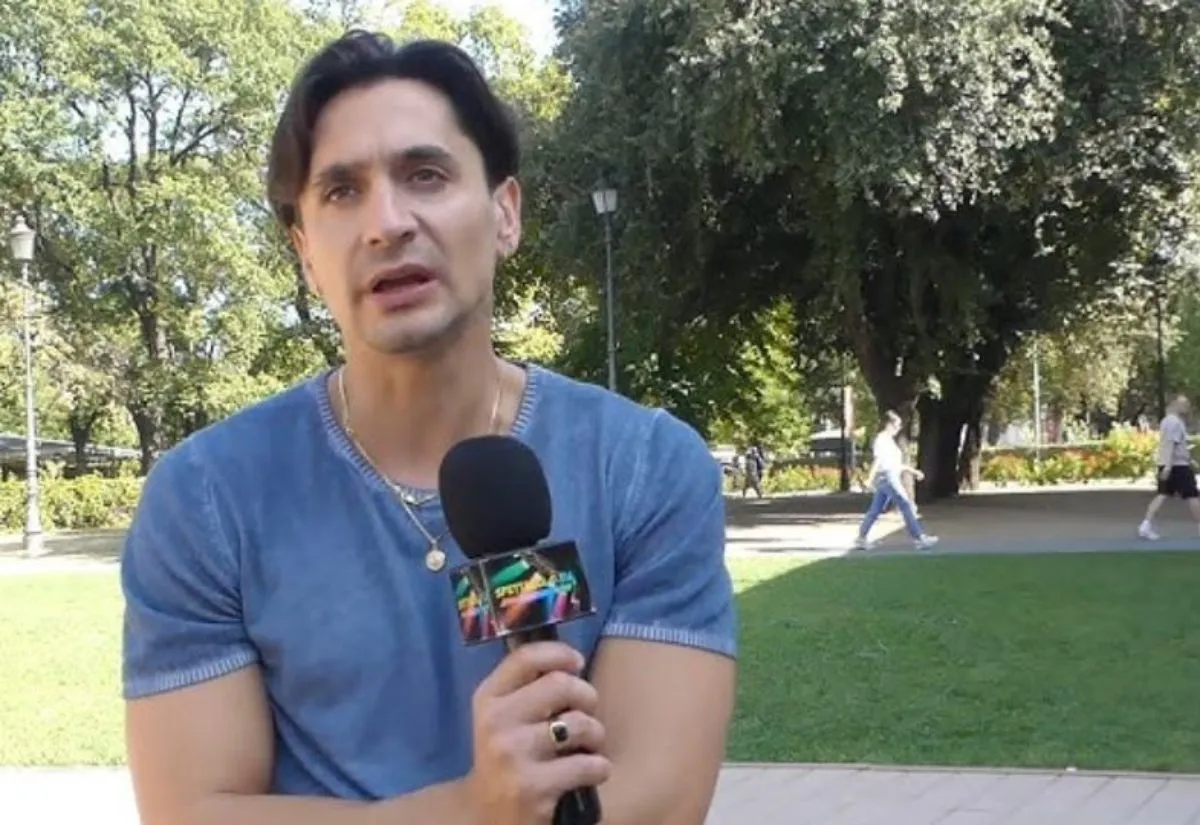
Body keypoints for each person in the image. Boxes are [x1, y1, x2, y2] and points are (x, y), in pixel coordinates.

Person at [120, 32, 736, 825]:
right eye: (341, 191)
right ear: (305, 252)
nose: (386, 222)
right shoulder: (205, 499)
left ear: (505, 212)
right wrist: (474, 809)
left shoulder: (644, 468)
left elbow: (659, 798)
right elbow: (194, 811)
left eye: (426, 175)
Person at [853, 410, 938, 550]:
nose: (899, 428)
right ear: (889, 424)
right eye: (897, 425)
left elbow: (895, 464)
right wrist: (869, 478)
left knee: (875, 510)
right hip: (888, 477)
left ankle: (861, 538)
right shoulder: (882, 440)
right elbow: (878, 460)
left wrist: (913, 471)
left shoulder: (889, 440)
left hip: (887, 476)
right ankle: (919, 538)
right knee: (906, 505)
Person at [1137, 394, 1200, 540]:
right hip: (1177, 466)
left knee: (1163, 494)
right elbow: (1171, 445)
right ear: (1175, 404)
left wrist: (1184, 460)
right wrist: (1168, 467)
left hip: (1171, 464)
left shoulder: (1168, 421)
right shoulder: (1174, 422)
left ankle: (1145, 525)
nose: (1186, 407)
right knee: (1192, 495)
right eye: (1184, 404)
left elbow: (1173, 446)